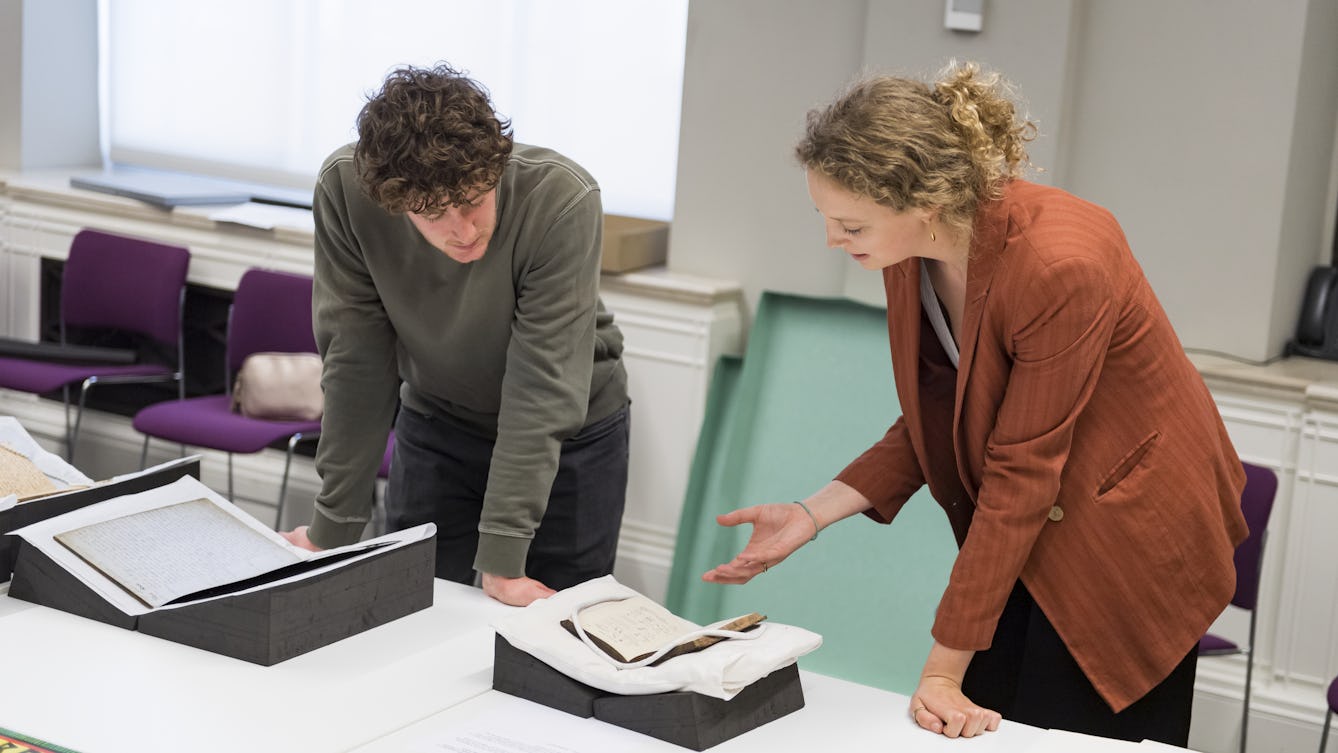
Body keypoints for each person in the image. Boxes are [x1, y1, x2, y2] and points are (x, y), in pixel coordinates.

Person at [703, 61, 1248, 745]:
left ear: (922, 202)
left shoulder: (1061, 262)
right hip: (1031, 519)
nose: (832, 242)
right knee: (980, 718)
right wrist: (813, 513)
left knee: (1070, 730)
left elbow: (1022, 470)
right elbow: (938, 415)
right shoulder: (911, 253)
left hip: (1128, 534)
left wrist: (938, 668)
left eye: (850, 224)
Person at [282, 63, 631, 608]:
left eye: (473, 201)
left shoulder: (562, 199)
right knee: (414, 607)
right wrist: (333, 525)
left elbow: (541, 388)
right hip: (438, 420)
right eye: (433, 215)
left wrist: (503, 557)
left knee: (556, 631)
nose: (463, 231)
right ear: (393, 203)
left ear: (498, 165)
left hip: (571, 434)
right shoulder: (346, 192)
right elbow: (356, 361)